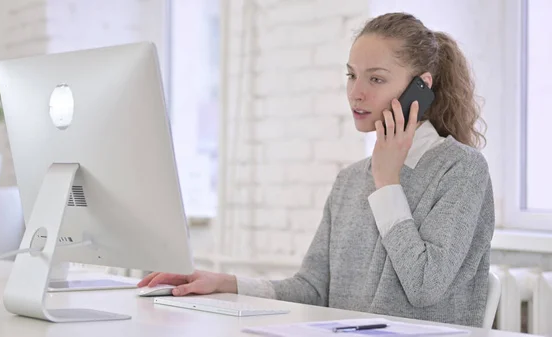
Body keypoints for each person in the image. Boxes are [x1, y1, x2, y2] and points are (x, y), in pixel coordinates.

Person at [138, 12, 495, 328]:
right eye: (351, 75)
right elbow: (311, 289)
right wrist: (226, 283)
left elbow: (424, 286)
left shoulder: (461, 170)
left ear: (421, 87)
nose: (356, 93)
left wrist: (387, 183)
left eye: (376, 79)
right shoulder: (350, 181)